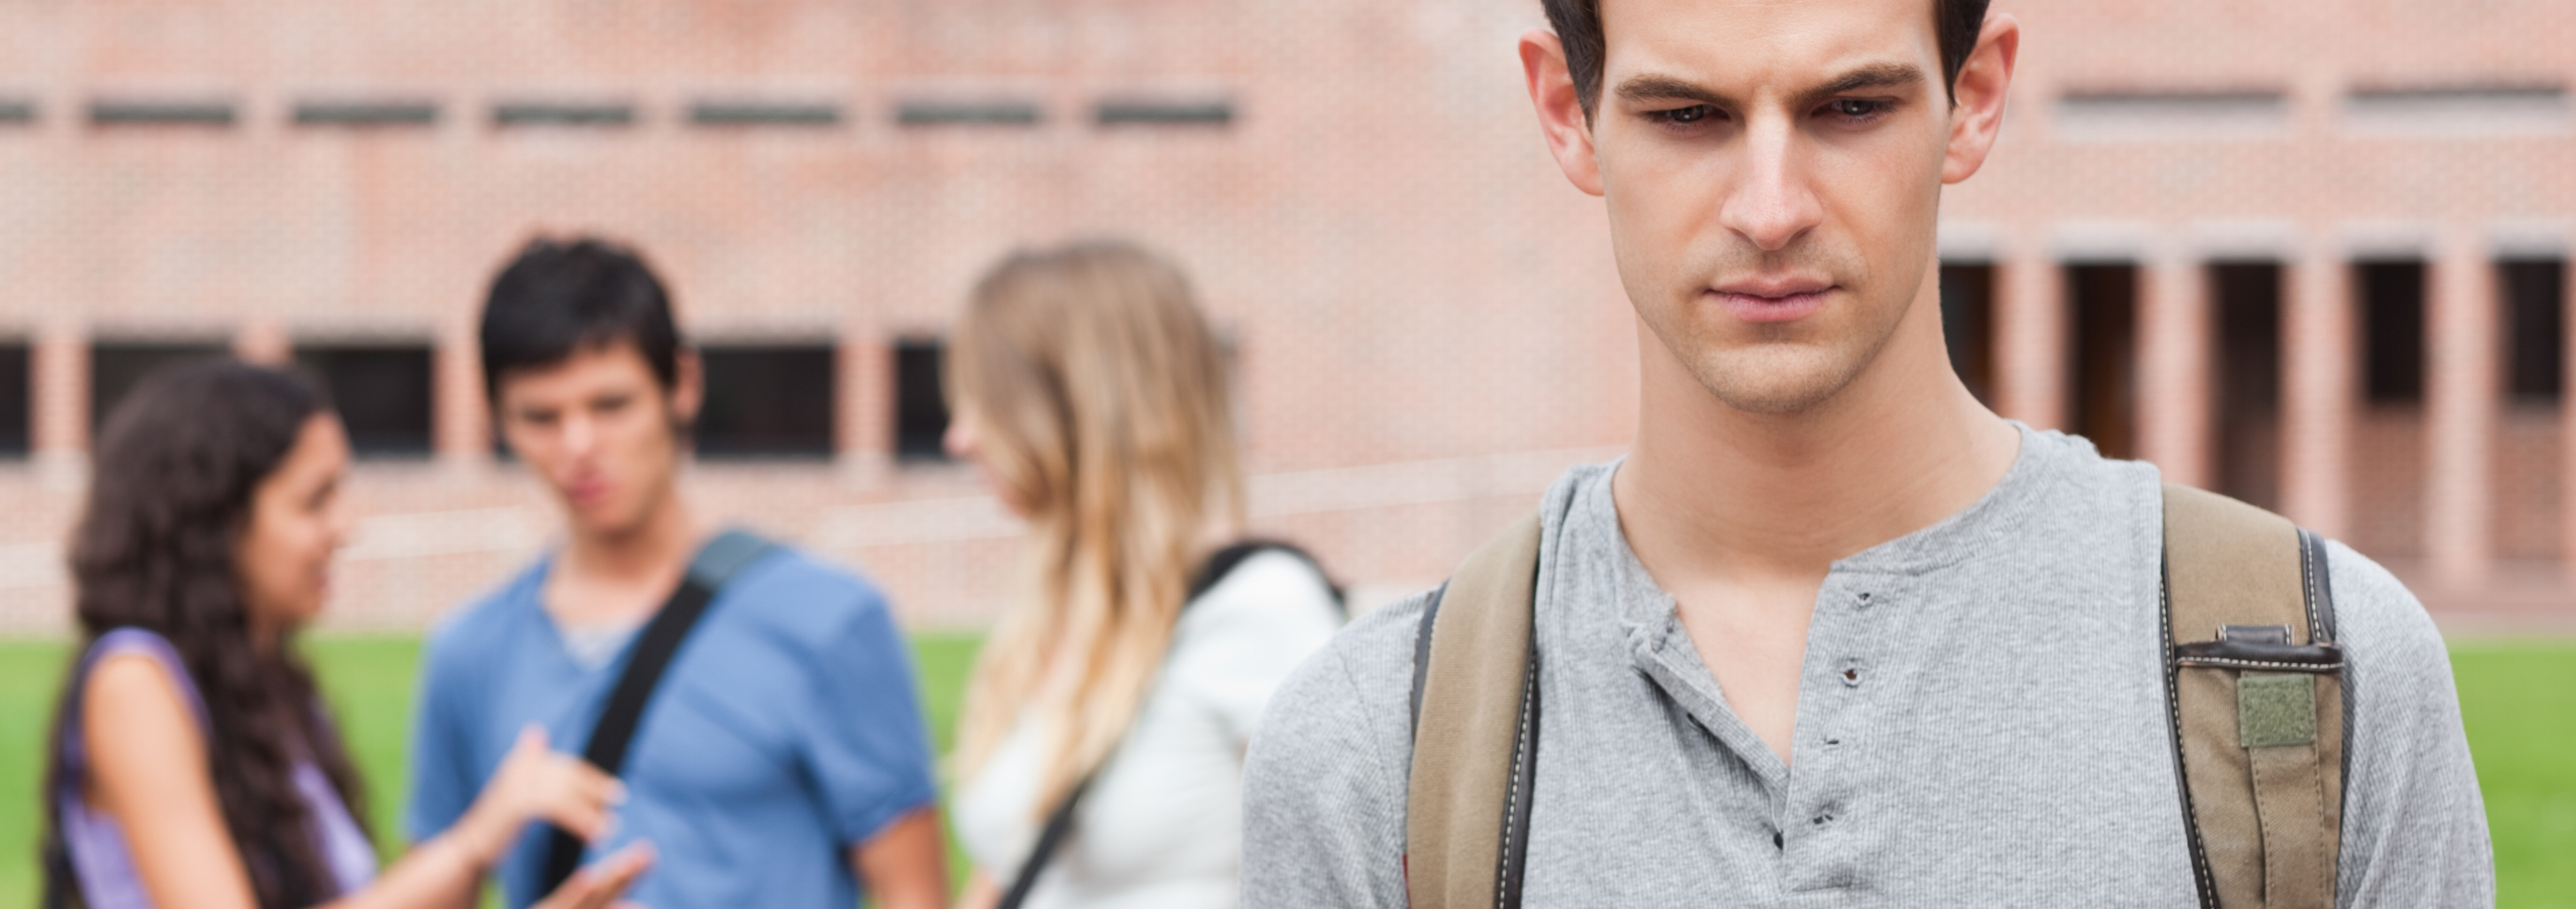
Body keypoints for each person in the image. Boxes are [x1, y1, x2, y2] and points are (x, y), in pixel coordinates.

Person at [1242, 0, 2494, 906]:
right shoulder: (1373, 751)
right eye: (1687, 114)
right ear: (1566, 116)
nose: (1769, 207)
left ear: (1974, 99)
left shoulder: (2322, 674)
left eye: (1848, 107)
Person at [404, 237, 947, 909]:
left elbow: (914, 894)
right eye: (541, 417)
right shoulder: (468, 652)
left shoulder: (830, 620)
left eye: (610, 405)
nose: (578, 446)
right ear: (498, 421)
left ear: (682, 385)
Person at [40, 359, 649, 909]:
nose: (344, 527)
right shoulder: (134, 682)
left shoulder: (276, 687)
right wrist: (475, 839)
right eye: (315, 500)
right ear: (219, 524)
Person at [941, 242, 1343, 909]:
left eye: (988, 402)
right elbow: (1012, 868)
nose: (960, 437)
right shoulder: (1045, 615)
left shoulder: (1259, 608)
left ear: (1079, 407)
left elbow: (1351, 879)